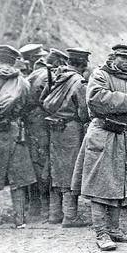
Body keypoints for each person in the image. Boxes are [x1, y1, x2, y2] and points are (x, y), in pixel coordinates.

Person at [72, 44, 127, 251]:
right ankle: (101, 232)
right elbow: (96, 100)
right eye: (123, 58)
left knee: (119, 184)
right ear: (114, 57)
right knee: (100, 185)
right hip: (103, 134)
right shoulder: (100, 75)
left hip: (123, 136)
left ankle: (114, 229)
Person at [0, 45, 36, 228]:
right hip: (15, 132)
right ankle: (19, 218)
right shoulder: (23, 82)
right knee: (18, 177)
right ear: (15, 61)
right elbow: (28, 106)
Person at [41, 47, 91, 228]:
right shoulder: (79, 82)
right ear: (83, 63)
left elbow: (43, 99)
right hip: (71, 129)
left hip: (54, 127)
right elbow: (84, 112)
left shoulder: (55, 76)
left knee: (56, 168)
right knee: (71, 170)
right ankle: (70, 216)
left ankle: (54, 213)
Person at [26, 48, 69, 223]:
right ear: (59, 62)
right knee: (46, 165)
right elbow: (50, 102)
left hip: (31, 121)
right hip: (43, 122)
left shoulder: (35, 74)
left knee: (35, 162)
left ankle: (35, 207)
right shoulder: (50, 76)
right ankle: (48, 209)